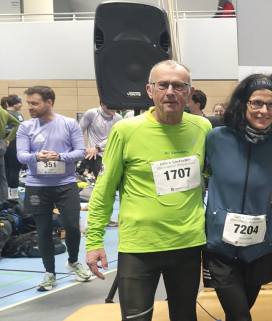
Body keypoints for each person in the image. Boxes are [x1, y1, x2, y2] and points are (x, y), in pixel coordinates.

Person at [85, 60, 212, 321]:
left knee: (185, 316)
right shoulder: (126, 131)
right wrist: (94, 241)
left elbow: (212, 173)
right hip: (139, 248)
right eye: (162, 85)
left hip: (187, 244)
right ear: (149, 90)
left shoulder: (202, 129)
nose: (170, 91)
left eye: (178, 85)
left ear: (189, 91)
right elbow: (104, 190)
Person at [203, 74, 272, 320]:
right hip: (220, 247)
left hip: (259, 248)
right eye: (256, 103)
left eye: (270, 104)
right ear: (243, 104)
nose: (263, 110)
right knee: (241, 316)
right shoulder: (216, 138)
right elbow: (199, 176)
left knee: (239, 314)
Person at [17, 85, 91, 291]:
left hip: (65, 184)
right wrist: (36, 156)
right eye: (28, 103)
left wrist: (59, 156)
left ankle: (74, 260)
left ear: (49, 102)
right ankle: (50, 273)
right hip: (37, 186)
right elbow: (21, 155)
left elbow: (80, 152)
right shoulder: (26, 127)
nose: (29, 107)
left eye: (34, 103)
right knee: (44, 229)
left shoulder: (68, 124)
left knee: (72, 226)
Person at [77, 102, 123, 182]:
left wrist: (97, 147)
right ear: (102, 104)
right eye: (111, 106)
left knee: (114, 182)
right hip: (95, 157)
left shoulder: (118, 118)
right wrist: (82, 148)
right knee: (101, 182)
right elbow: (78, 131)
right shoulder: (91, 114)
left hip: (111, 155)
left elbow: (116, 136)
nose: (115, 109)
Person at [0, 95, 21, 200]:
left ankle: (7, 195)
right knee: (10, 171)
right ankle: (11, 197)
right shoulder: (11, 114)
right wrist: (9, 138)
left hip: (4, 142)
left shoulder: (3, 112)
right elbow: (18, 126)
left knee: (6, 170)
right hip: (9, 143)